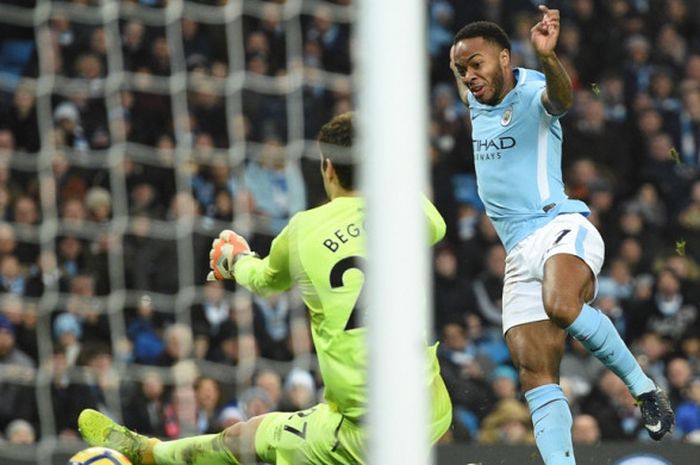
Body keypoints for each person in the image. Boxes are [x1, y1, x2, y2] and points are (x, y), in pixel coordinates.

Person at [77, 112, 453, 465]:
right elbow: (437, 227)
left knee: (244, 438)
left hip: (364, 431)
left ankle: (150, 453)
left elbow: (265, 282)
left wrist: (235, 260)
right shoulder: (403, 209)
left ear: (327, 167)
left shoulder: (305, 230)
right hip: (429, 406)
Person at [448, 6, 673, 465]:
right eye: (460, 68)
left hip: (559, 227)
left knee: (562, 305)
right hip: (517, 254)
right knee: (535, 375)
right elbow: (469, 73)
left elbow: (563, 99)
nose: (468, 76)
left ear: (506, 59)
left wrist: (548, 57)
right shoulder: (476, 98)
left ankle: (644, 389)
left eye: (476, 64)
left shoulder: (532, 90)